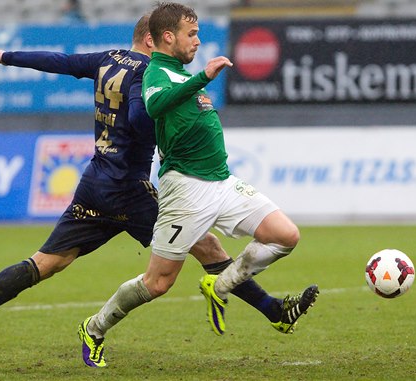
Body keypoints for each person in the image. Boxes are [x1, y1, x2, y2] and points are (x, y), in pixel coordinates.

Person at [0, 15, 299, 369]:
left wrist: (7, 56)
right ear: (153, 39)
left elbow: (61, 62)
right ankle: (273, 311)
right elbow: (139, 117)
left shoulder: (106, 59)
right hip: (129, 190)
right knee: (203, 250)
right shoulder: (148, 74)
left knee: (46, 263)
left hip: (95, 183)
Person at [79, 2, 319, 368]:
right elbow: (156, 106)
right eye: (191, 34)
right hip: (185, 190)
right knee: (157, 283)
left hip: (222, 182)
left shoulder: (180, 72)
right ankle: (94, 327)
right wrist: (202, 77)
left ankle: (220, 285)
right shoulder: (155, 73)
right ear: (168, 37)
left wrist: (197, 79)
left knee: (286, 235)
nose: (198, 40)